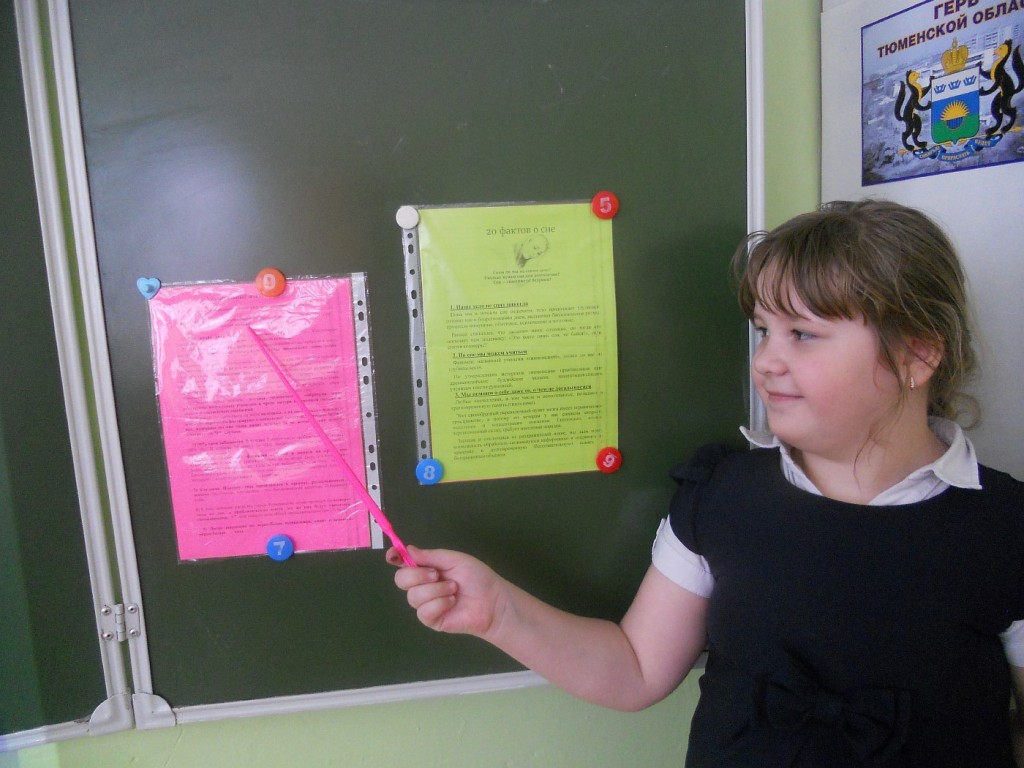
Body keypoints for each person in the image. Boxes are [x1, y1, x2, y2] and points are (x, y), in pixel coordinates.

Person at [388, 200, 1024, 767]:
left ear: (916, 354)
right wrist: (499, 612)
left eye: (803, 335)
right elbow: (636, 668)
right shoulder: (724, 496)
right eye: (764, 331)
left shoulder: (1005, 527)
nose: (765, 361)